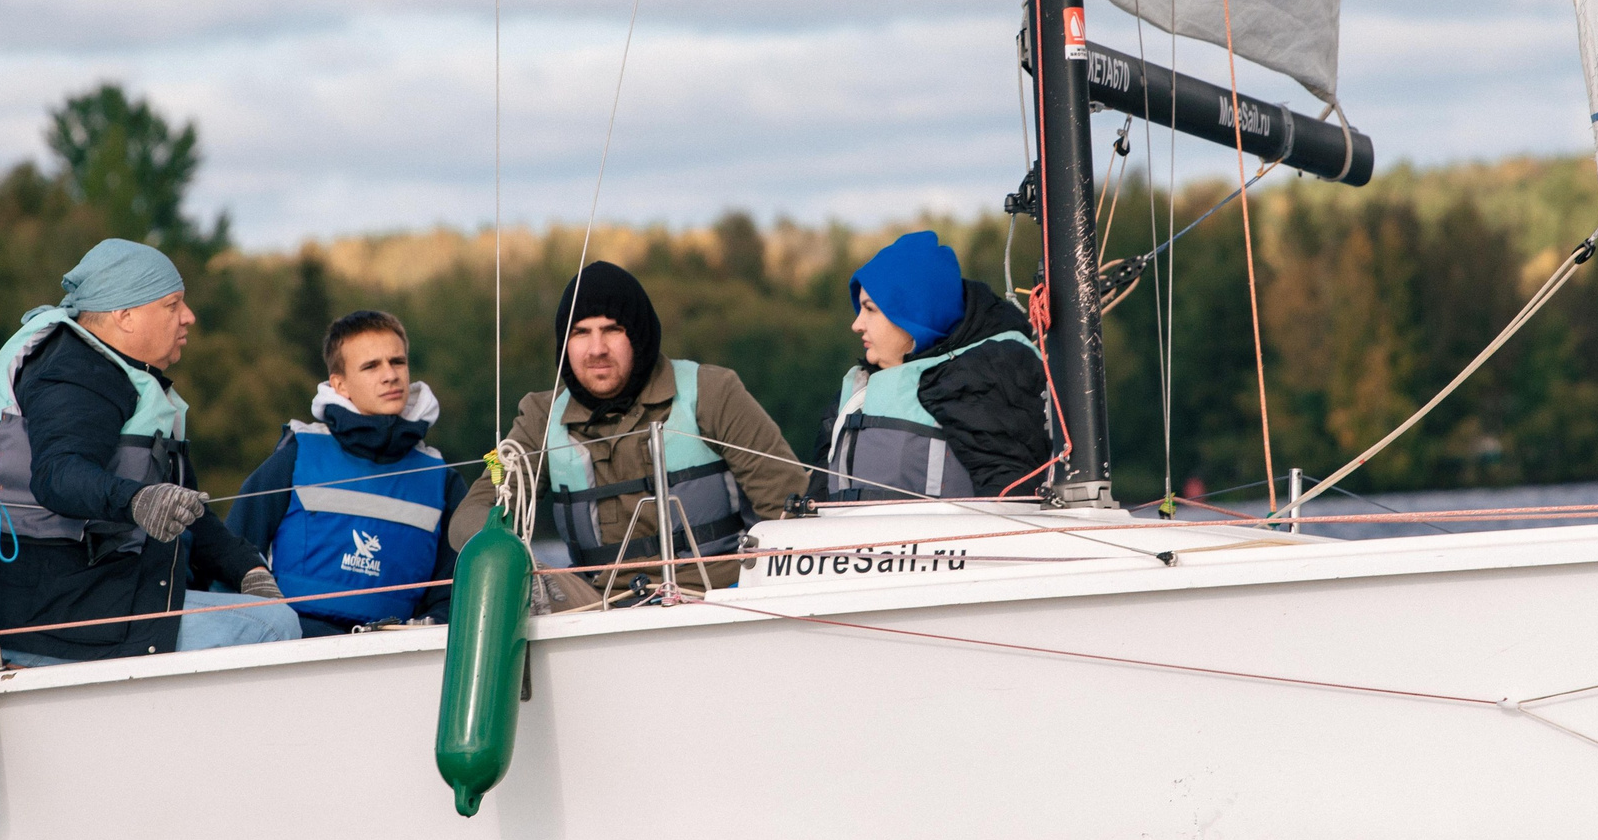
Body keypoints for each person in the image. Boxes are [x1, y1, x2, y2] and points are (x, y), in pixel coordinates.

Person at [0, 238, 299, 663]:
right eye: (172, 305)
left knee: (255, 605)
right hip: (51, 613)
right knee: (272, 626)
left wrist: (247, 567)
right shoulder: (74, 372)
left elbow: (180, 505)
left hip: (92, 596)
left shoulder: (110, 371)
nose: (188, 317)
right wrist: (138, 500)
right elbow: (58, 474)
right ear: (125, 315)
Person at [450, 261, 808, 602]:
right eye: (580, 333)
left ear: (638, 335)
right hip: (596, 609)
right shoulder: (540, 418)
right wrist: (512, 558)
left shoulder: (714, 392)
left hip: (720, 599)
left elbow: (790, 505)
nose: (597, 349)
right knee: (521, 591)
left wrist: (757, 590)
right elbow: (471, 515)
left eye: (612, 330)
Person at [226, 310, 463, 635]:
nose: (390, 375)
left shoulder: (442, 479)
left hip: (398, 653)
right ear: (340, 385)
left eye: (397, 362)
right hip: (292, 647)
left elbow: (454, 592)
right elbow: (231, 556)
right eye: (371, 366)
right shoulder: (297, 455)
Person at [821, 230, 1050, 501]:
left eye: (870, 309)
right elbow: (816, 496)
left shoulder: (983, 383)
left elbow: (1011, 499)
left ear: (915, 317)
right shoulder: (855, 395)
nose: (856, 324)